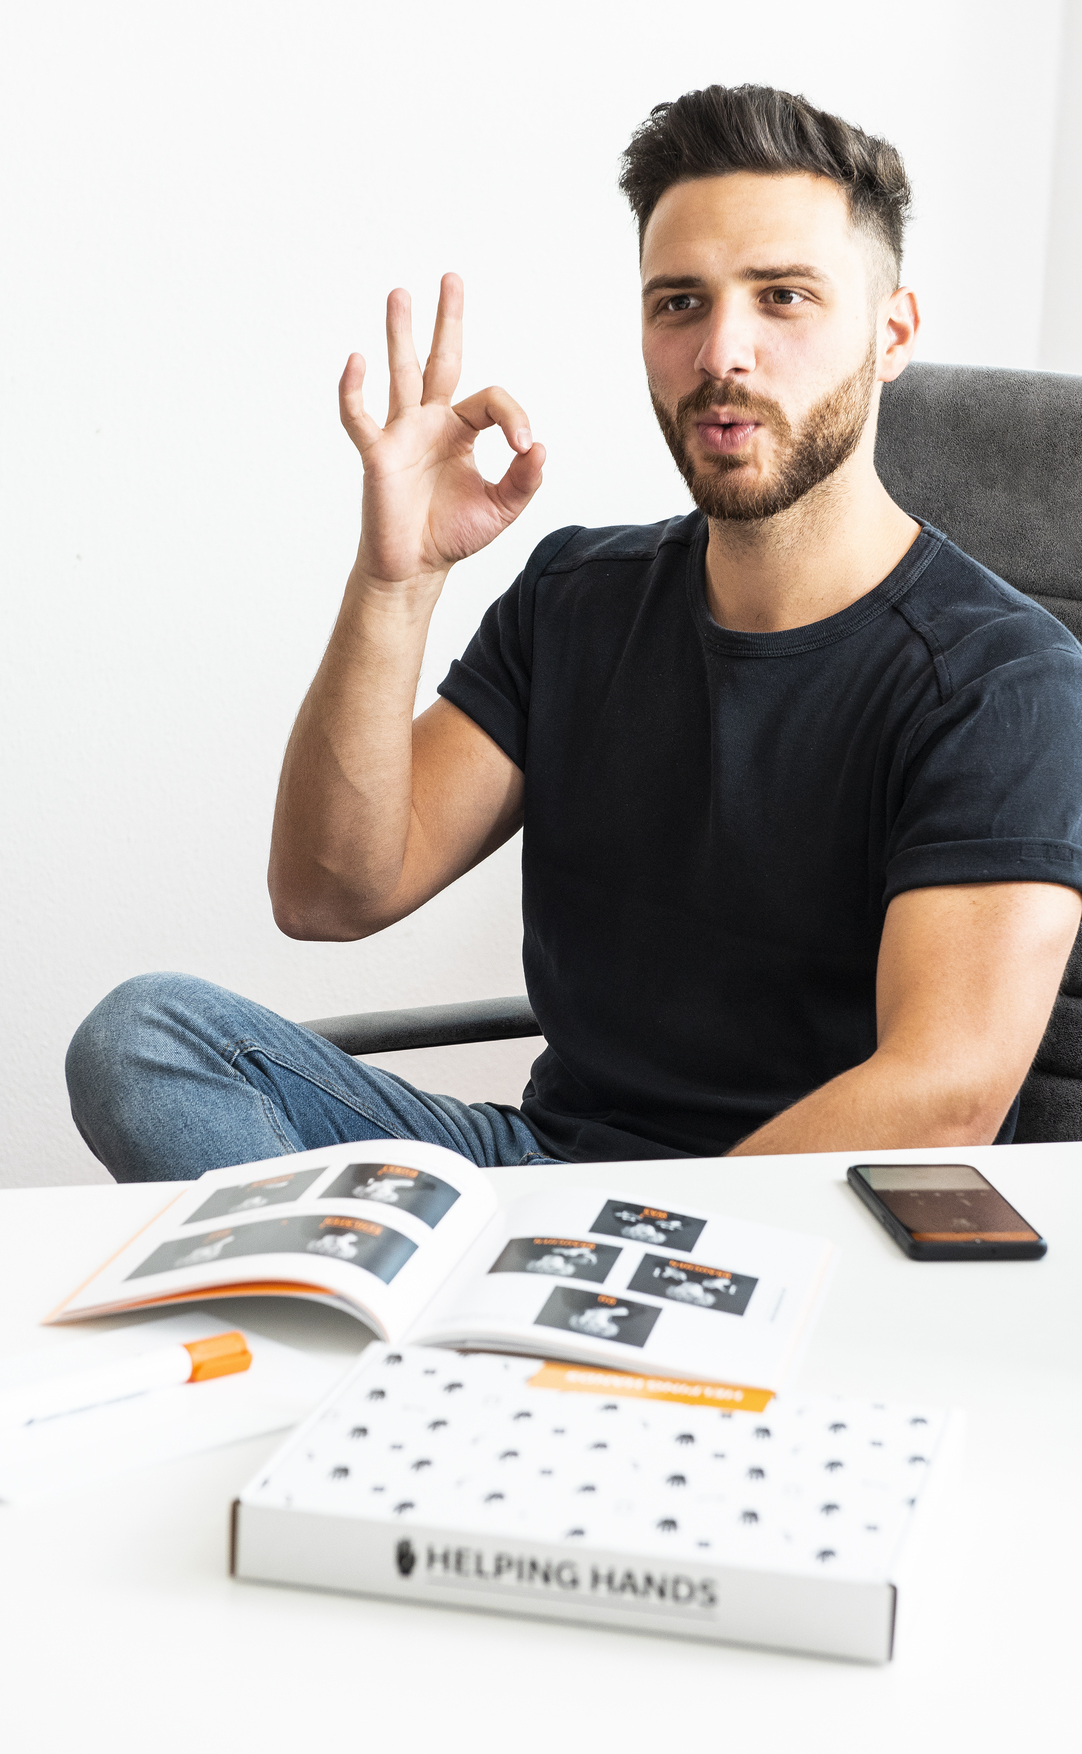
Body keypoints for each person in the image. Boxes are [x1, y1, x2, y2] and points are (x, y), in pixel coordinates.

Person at [66, 83, 1082, 1182]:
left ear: (890, 333)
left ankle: (462, 1323)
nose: (720, 352)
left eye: (782, 296)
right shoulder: (576, 596)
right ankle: (456, 1320)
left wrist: (619, 1243)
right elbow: (330, 891)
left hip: (816, 1214)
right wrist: (395, 580)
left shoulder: (1005, 679)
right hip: (542, 1169)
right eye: (679, 302)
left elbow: (942, 1100)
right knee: (145, 1039)